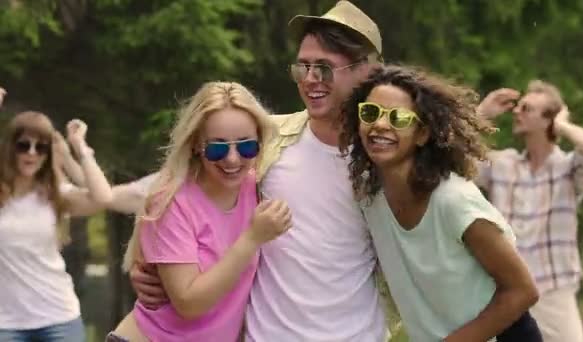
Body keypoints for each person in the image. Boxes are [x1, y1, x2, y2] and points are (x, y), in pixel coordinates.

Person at [126, 1, 390, 341]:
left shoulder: (387, 159)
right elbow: (181, 184)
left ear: (368, 72)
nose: (310, 80)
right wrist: (147, 262)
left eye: (324, 68)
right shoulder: (264, 140)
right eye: (303, 67)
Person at [339, 64, 542, 341]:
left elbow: (523, 291)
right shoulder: (369, 196)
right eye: (370, 113)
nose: (380, 125)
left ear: (422, 134)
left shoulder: (454, 201)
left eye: (398, 118)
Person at [106, 82, 291, 342]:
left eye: (247, 146)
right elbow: (189, 303)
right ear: (195, 145)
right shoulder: (172, 201)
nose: (233, 159)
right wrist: (252, 239)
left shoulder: (257, 186)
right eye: (218, 147)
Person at [475, 81, 583, 342]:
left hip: (554, 294)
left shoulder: (568, 169)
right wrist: (482, 115)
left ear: (548, 120)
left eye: (527, 108)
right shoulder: (504, 164)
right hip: (507, 293)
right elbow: (452, 158)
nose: (516, 112)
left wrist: (563, 124)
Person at [0, 110, 113, 342]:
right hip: (6, 323)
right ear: (11, 147)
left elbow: (103, 197)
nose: (32, 153)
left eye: (40, 147)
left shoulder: (56, 196)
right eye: (24, 145)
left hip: (58, 318)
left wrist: (79, 147)